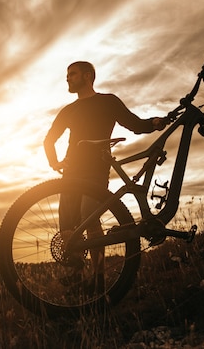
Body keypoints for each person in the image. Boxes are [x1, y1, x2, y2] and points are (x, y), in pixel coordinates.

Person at [43, 61, 166, 293]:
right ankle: (77, 276)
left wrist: (154, 123)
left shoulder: (108, 101)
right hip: (71, 172)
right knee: (68, 224)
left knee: (90, 218)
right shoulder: (68, 110)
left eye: (73, 74)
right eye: (67, 75)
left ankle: (98, 279)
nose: (67, 79)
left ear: (88, 76)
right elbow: (49, 139)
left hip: (96, 169)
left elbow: (134, 124)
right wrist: (55, 163)